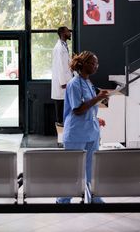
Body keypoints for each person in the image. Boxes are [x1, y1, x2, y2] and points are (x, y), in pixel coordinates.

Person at [56, 51, 108, 204]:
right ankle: (63, 200)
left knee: (92, 169)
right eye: (92, 63)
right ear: (83, 64)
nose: (95, 66)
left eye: (97, 63)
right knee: (73, 169)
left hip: (91, 132)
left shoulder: (88, 82)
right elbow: (77, 109)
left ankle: (94, 198)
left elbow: (88, 107)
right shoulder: (74, 84)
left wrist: (96, 118)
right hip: (76, 134)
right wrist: (98, 98)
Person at [51, 26, 73, 125]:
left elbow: (67, 63)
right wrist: (63, 82)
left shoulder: (64, 46)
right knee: (60, 102)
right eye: (68, 31)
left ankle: (63, 122)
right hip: (62, 82)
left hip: (66, 80)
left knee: (64, 102)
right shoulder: (59, 48)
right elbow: (59, 66)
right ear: (63, 33)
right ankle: (60, 122)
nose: (70, 33)